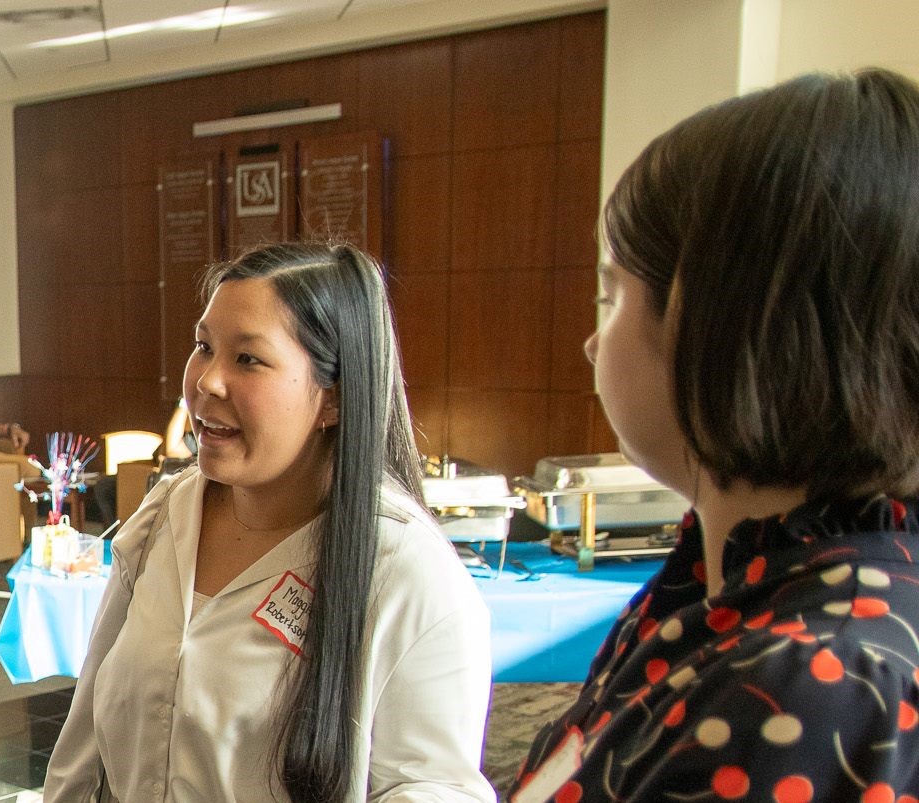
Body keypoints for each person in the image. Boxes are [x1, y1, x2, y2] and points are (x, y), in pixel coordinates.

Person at [509, 69, 919, 802]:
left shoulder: (807, 683)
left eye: (613, 296)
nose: (592, 345)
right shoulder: (736, 572)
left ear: (721, 325)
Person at [46, 243, 495, 802]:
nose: (206, 382)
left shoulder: (404, 570)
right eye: (204, 347)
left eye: (248, 359)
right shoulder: (166, 516)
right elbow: (85, 737)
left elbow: (431, 788)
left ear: (332, 397)